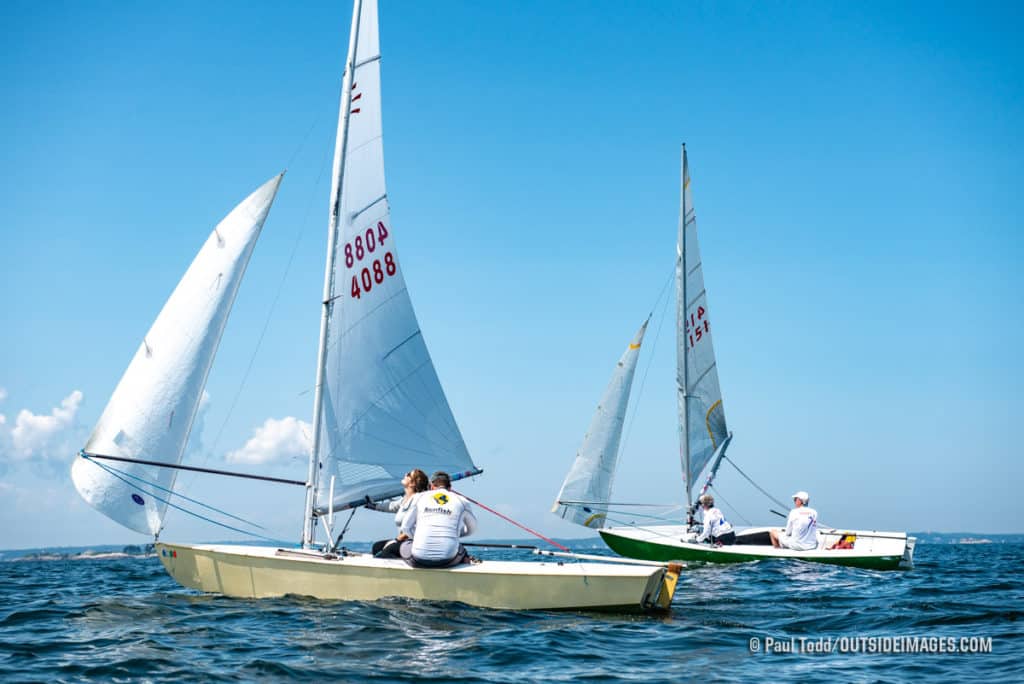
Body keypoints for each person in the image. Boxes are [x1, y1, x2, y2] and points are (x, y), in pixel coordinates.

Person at [399, 470, 477, 567]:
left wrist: (418, 537)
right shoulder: (463, 501)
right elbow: (472, 530)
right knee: (460, 548)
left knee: (403, 546)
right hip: (448, 560)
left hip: (419, 560)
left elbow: (405, 527)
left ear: (431, 486)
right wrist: (454, 534)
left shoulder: (418, 497)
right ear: (450, 487)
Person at [367, 469, 429, 558]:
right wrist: (373, 506)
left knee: (387, 551)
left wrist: (396, 540)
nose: (405, 474)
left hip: (414, 543)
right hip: (404, 541)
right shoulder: (405, 499)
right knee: (377, 547)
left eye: (408, 474)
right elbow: (392, 506)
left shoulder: (418, 500)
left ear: (413, 483)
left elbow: (414, 528)